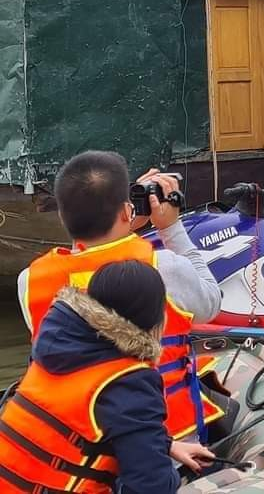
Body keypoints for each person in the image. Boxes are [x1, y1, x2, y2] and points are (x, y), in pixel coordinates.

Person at [16, 151, 226, 443]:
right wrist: (170, 227)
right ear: (127, 211)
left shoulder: (29, 280)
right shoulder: (162, 267)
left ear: (62, 216)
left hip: (77, 445)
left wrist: (124, 223)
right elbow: (212, 302)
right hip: (164, 440)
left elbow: (82, 261)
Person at [0, 260, 214, 492]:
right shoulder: (130, 380)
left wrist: (166, 445)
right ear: (156, 319)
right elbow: (151, 487)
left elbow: (78, 421)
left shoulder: (52, 348)